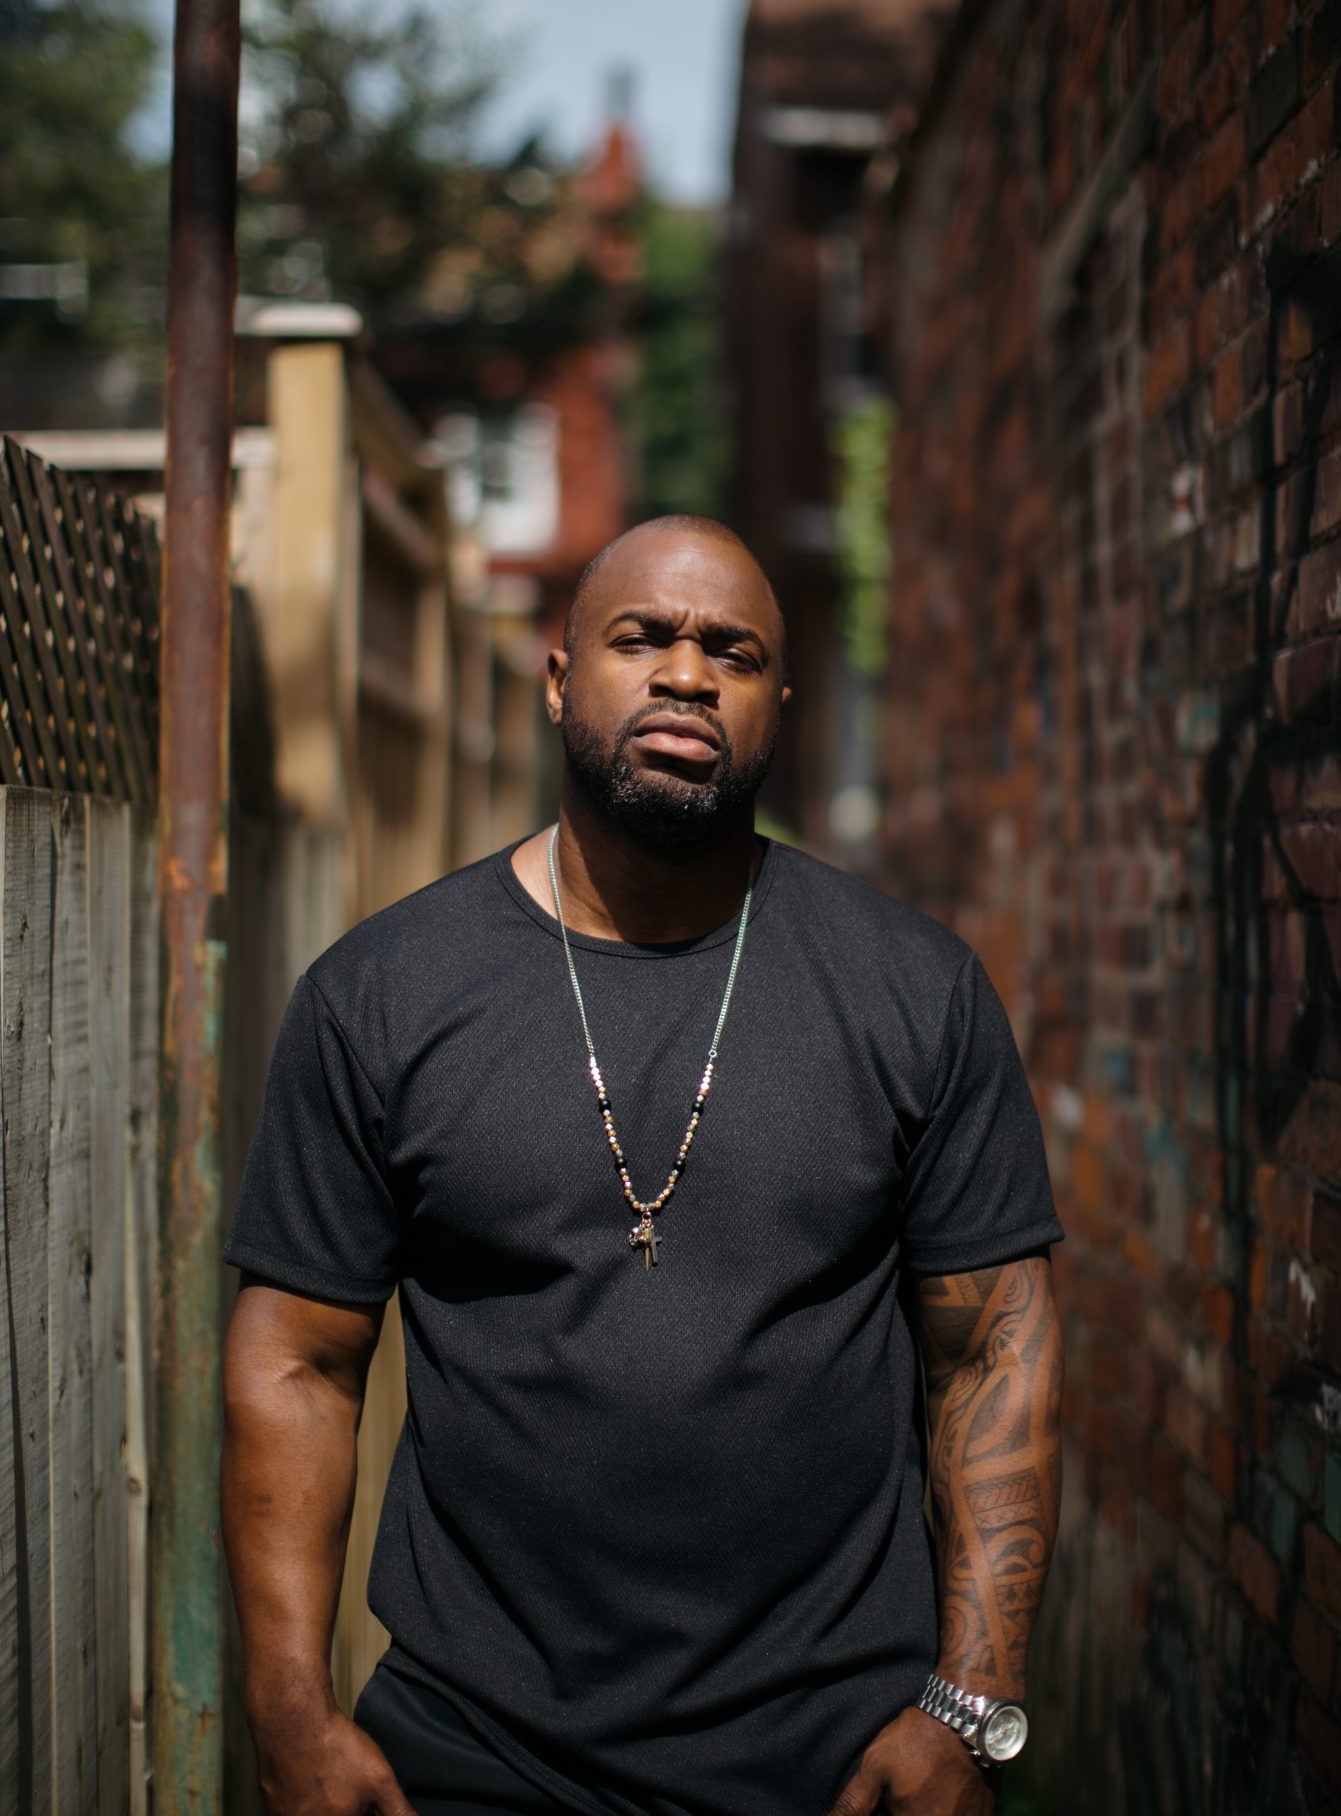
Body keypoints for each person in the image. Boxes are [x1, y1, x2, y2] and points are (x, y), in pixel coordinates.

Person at [222, 515, 1064, 1816]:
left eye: (732, 652)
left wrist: (969, 1704)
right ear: (560, 680)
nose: (686, 674)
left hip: (838, 1764)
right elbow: (297, 1362)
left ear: (778, 708)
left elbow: (995, 1351)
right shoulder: (382, 996)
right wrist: (289, 1716)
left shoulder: (914, 992)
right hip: (473, 1757)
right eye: (643, 638)